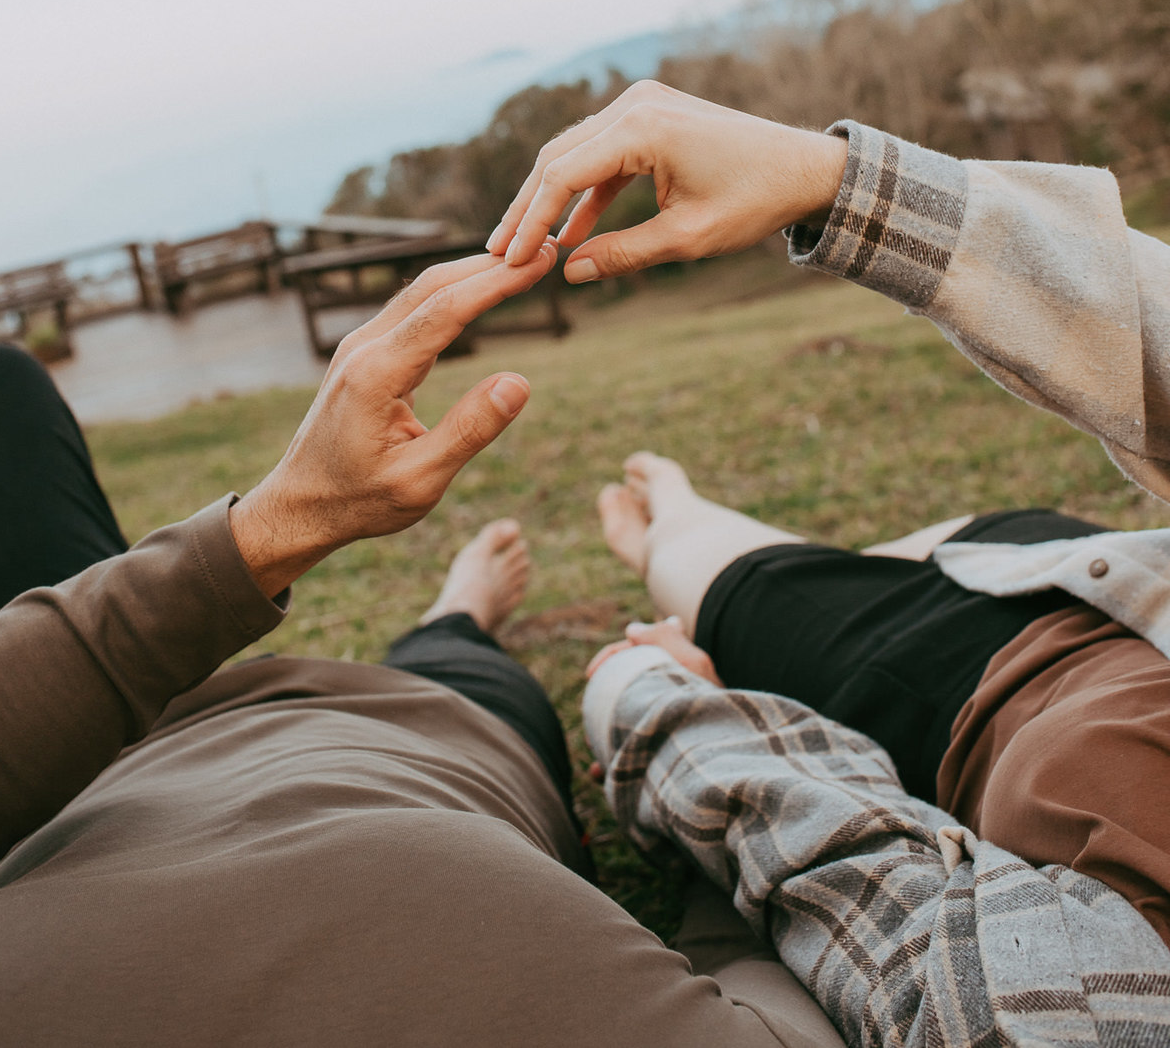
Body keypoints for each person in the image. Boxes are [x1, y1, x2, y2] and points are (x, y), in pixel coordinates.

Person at [0, 245, 840, 1048]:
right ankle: (456, 615)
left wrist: (278, 527)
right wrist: (708, 768)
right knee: (454, 661)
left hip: (78, 771)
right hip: (426, 731)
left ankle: (451, 616)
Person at [491, 80, 1170, 1043]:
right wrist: (833, 180)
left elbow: (870, 890)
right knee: (929, 547)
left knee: (718, 577)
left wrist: (659, 700)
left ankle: (674, 518)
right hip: (1106, 574)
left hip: (980, 691)